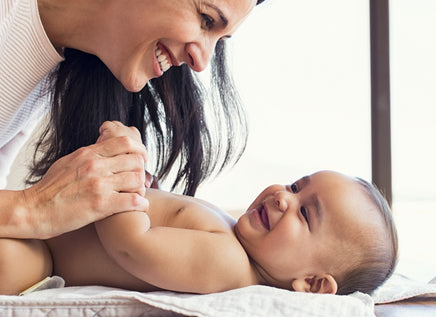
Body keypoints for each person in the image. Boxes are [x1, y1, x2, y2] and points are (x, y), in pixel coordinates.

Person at [0, 0, 264, 239]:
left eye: (221, 39)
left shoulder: (52, 65)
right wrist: (33, 208)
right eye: (206, 19)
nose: (202, 62)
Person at [0, 169, 398, 296]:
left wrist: (121, 179)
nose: (282, 198)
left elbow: (131, 246)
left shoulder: (229, 265)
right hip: (49, 225)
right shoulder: (233, 235)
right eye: (296, 187)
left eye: (305, 214)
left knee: (11, 260)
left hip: (45, 257)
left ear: (312, 283)